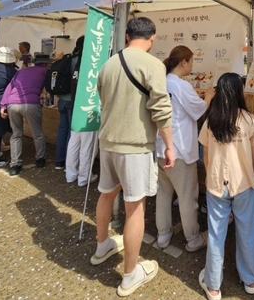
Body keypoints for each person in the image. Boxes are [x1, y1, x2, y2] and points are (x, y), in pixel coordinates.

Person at [90, 17, 174, 297]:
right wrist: (170, 146)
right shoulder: (153, 64)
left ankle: (102, 245)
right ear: (152, 38)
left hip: (108, 141)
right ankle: (130, 274)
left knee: (106, 194)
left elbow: (103, 99)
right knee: (134, 208)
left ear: (126, 36)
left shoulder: (109, 63)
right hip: (135, 146)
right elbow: (161, 109)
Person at [198, 72, 254, 299]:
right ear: (238, 92)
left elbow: (205, 154)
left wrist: (209, 177)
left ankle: (214, 286)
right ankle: (251, 280)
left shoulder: (210, 120)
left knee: (216, 234)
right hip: (245, 183)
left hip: (216, 184)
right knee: (247, 231)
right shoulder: (249, 120)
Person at [156, 45, 214, 252]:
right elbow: (199, 110)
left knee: (163, 193)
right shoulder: (181, 85)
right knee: (187, 198)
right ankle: (193, 239)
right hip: (179, 150)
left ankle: (163, 235)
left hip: (161, 148)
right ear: (184, 62)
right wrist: (207, 96)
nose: (192, 65)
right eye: (191, 61)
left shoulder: (161, 81)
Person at [1, 54, 50, 176]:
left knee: (16, 134)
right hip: (31, 103)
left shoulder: (23, 71)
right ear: (46, 64)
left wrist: (3, 105)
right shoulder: (46, 71)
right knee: (37, 133)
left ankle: (15, 165)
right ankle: (40, 159)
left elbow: (9, 88)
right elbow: (49, 88)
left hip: (12, 103)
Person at [65, 36, 98, 186]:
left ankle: (71, 174)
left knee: (74, 142)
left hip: (75, 106)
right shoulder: (92, 62)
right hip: (88, 109)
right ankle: (84, 177)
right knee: (87, 145)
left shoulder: (77, 61)